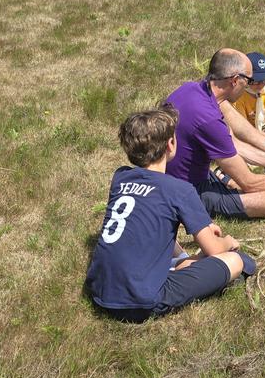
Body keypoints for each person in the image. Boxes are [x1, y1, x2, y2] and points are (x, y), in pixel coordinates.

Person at [85, 107, 255, 323]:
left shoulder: (121, 177)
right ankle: (218, 270)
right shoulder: (179, 189)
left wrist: (203, 229)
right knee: (235, 261)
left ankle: (182, 263)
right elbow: (213, 249)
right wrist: (227, 242)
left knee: (168, 244)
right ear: (170, 145)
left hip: (100, 290)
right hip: (141, 301)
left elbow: (153, 218)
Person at [165, 48, 265, 219]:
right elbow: (250, 183)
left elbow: (236, 146)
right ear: (235, 80)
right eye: (248, 80)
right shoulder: (209, 120)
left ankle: (225, 180)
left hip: (178, 177)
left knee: (243, 186)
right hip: (187, 192)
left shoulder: (191, 89)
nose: (249, 85)